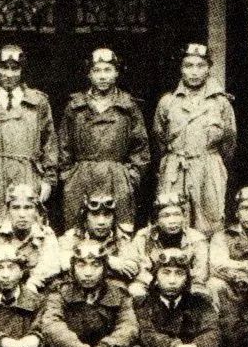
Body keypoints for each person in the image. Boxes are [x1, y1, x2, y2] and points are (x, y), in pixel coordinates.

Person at [59, 48, 149, 229]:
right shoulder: (75, 106)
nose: (102, 76)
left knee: (120, 228)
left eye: (108, 70)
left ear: (116, 73)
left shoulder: (129, 106)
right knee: (77, 229)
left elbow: (140, 147)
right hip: (81, 177)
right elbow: (63, 145)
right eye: (97, 71)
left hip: (118, 177)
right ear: (89, 74)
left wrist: (131, 177)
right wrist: (69, 176)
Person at [153, 43, 236, 237]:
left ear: (209, 68)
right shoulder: (168, 102)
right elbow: (159, 138)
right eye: (188, 66)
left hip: (209, 167)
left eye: (200, 66)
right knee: (172, 217)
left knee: (210, 222)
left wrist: (211, 161)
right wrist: (174, 158)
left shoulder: (221, 103)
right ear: (181, 69)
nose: (194, 72)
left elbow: (229, 142)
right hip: (175, 168)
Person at [0, 44, 58, 220]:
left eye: (14, 68)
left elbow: (49, 143)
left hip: (27, 171)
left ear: (22, 70)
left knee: (26, 222)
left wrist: (48, 180)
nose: (9, 74)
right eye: (4, 67)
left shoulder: (38, 103)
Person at [0, 184, 60, 293]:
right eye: (16, 208)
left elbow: (51, 265)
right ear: (8, 210)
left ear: (36, 211)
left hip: (34, 288)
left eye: (28, 207)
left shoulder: (45, 234)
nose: (22, 214)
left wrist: (33, 282)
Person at [129, 192, 209, 300]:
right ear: (156, 220)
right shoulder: (143, 237)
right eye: (166, 216)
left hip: (185, 284)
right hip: (152, 283)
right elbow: (138, 268)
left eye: (177, 214)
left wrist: (193, 286)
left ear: (184, 217)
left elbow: (200, 272)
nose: (172, 221)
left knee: (200, 296)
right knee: (135, 291)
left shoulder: (196, 239)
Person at [57, 193, 140, 286]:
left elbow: (132, 268)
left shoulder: (121, 237)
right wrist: (108, 261)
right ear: (85, 217)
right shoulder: (73, 236)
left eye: (107, 215)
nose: (101, 222)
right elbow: (64, 263)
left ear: (114, 218)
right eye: (95, 215)